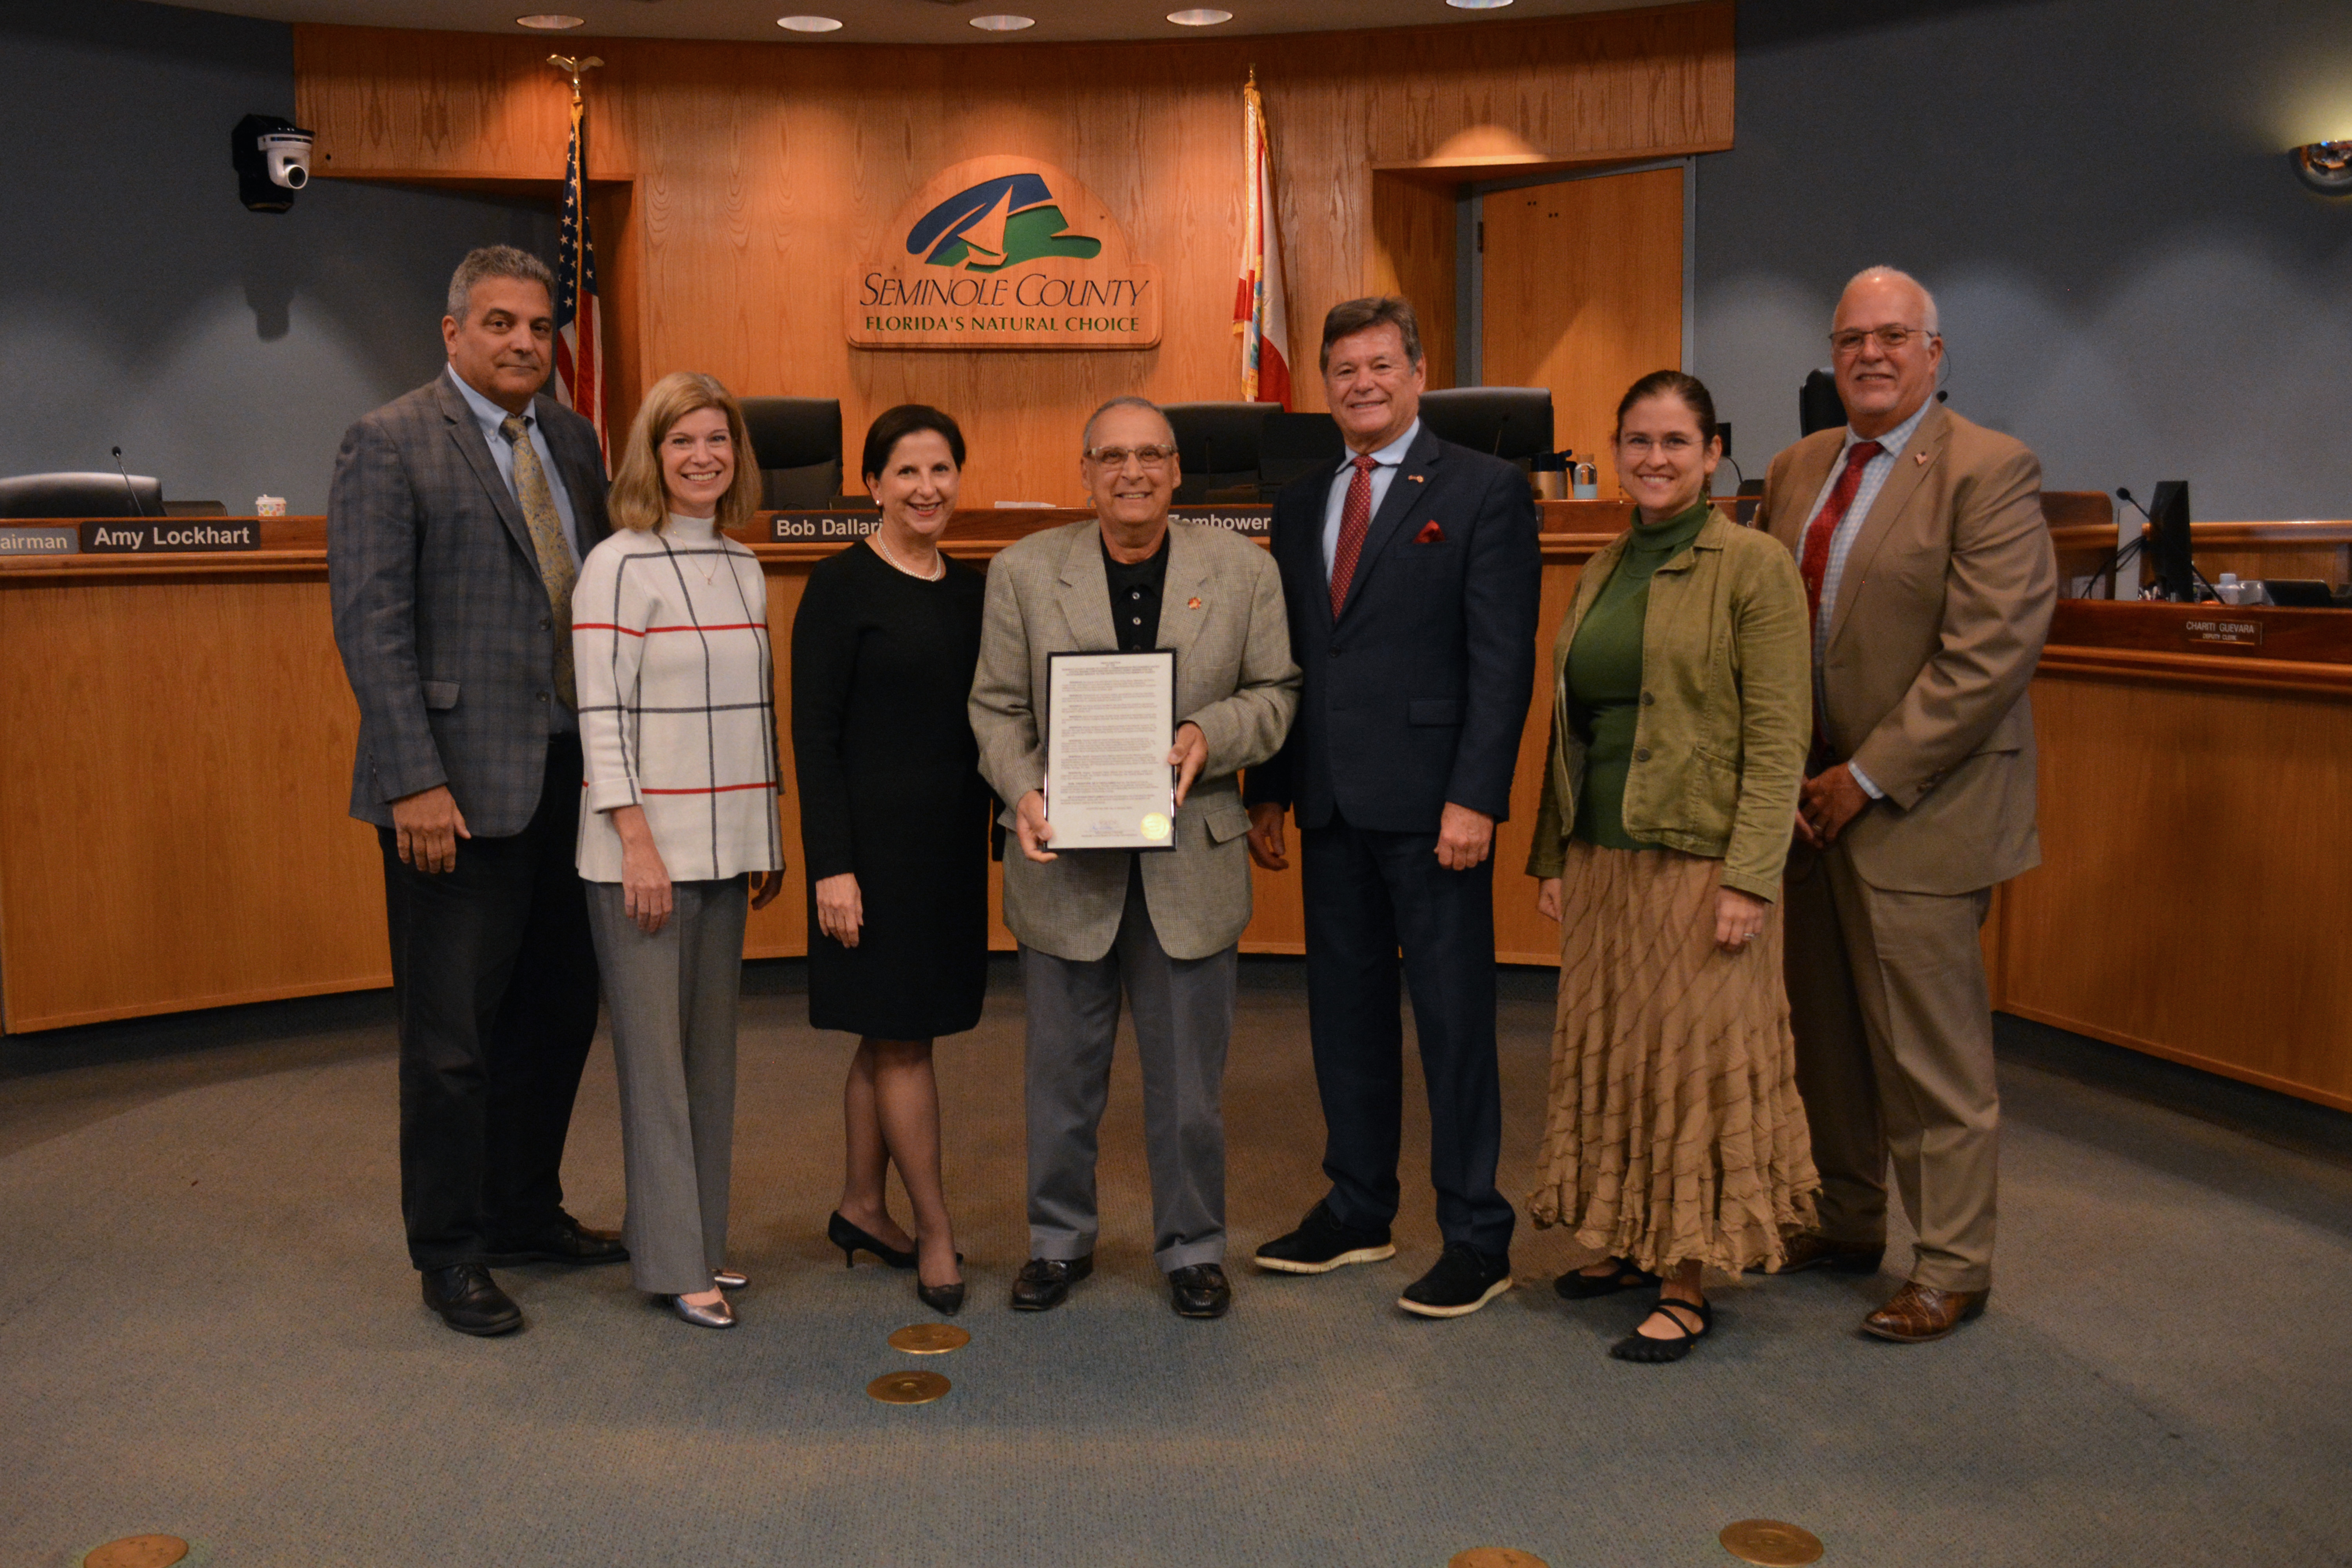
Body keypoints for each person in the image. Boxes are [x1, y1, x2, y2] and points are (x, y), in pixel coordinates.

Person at [328, 245, 626, 1337]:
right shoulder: (390, 440)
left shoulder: (575, 439)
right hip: (450, 793)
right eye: (498, 324)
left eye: (538, 328)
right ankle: (449, 1252)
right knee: (453, 1040)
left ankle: (522, 1211)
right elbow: (372, 622)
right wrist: (412, 779)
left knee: (557, 1013)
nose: (521, 344)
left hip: (568, 778)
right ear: (452, 333)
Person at [1754, 266, 2056, 1344]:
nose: (1870, 355)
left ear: (1934, 353)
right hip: (1807, 811)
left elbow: (1987, 659)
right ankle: (1845, 1219)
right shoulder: (1798, 468)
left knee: (1930, 1057)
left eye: (1893, 337)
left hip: (1919, 811)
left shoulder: (1989, 469)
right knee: (1826, 1038)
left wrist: (1865, 775)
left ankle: (1952, 1264)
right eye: (1851, 339)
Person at [969, 396, 1298, 1320]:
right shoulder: (1025, 571)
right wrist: (1025, 790)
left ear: (1177, 468)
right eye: (1112, 456)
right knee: (1061, 1077)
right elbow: (996, 709)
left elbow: (1277, 692)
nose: (1133, 473)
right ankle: (1057, 1238)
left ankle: (1192, 1245)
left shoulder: (1243, 572)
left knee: (1191, 1089)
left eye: (1151, 454)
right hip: (1064, 861)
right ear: (1085, 471)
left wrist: (1210, 731)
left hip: (1189, 860)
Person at [1245, 296, 1540, 1319]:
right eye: (1343, 370)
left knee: (1454, 1023)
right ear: (1323, 385)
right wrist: (1273, 789)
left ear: (1419, 372)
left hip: (1434, 812)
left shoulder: (1484, 491)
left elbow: (1502, 664)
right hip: (1328, 803)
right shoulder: (1298, 504)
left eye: (1380, 365)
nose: (1362, 384)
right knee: (1347, 1018)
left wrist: (1477, 797)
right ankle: (1360, 1207)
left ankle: (1477, 1235)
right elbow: (1288, 659)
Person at [1524, 371, 1817, 1363]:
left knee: (1692, 1063)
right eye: (1639, 441)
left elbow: (1782, 735)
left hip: (1701, 858)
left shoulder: (1753, 564)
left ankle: (1687, 1273)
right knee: (1616, 1052)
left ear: (1711, 451)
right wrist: (1553, 850)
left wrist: (1752, 876)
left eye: (1676, 442)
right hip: (1604, 852)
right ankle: (1625, 1241)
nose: (1655, 459)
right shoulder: (1605, 563)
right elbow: (1571, 724)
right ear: (1615, 450)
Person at [573, 371, 786, 1330]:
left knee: (710, 1060)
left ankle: (699, 1237)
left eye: (719, 439)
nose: (704, 456)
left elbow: (753, 718)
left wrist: (765, 837)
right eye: (682, 441)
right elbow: (600, 713)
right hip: (643, 855)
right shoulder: (618, 562)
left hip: (723, 847)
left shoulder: (744, 565)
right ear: (650, 457)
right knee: (655, 1066)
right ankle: (668, 1260)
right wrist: (636, 841)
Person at [791, 405, 988, 1316]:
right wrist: (832, 864)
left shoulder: (975, 587)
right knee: (905, 1036)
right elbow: (815, 736)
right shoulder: (838, 587)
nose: (926, 488)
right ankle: (935, 1226)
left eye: (941, 469)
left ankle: (862, 1205)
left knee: (892, 1029)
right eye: (906, 471)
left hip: (946, 853)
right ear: (872, 484)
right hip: (869, 859)